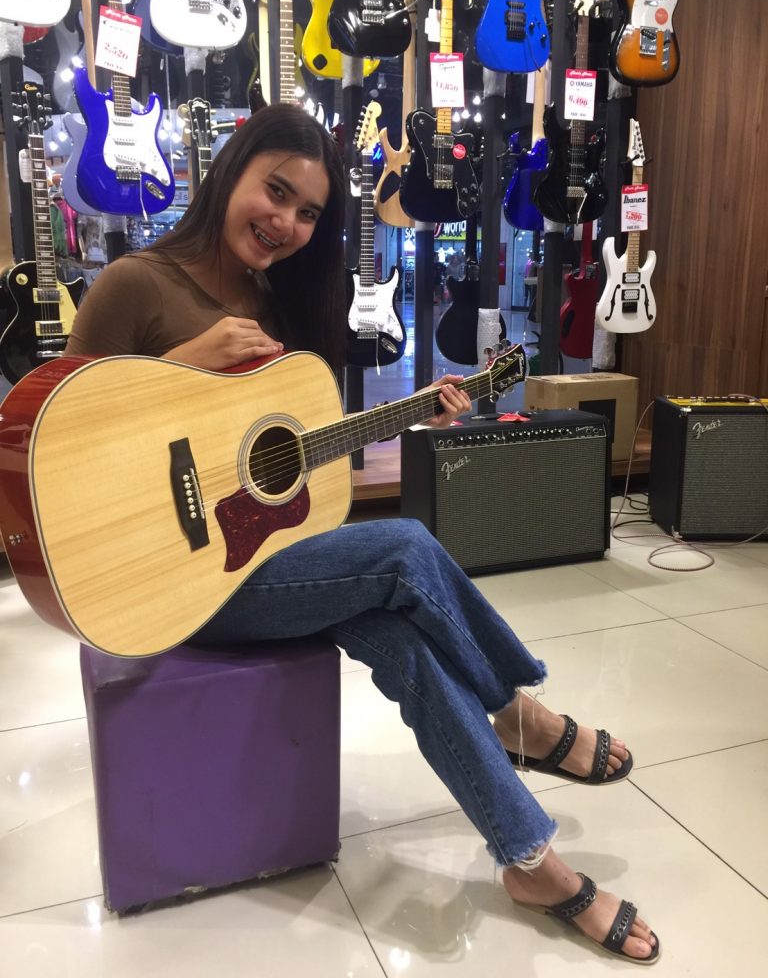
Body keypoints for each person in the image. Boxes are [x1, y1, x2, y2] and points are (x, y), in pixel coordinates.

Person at [66, 103, 658, 964]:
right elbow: (58, 431)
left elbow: (283, 458)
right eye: (276, 192)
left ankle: (531, 860)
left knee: (407, 645)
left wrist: (419, 413)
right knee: (407, 547)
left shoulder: (279, 297)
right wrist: (184, 364)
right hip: (169, 585)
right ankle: (518, 713)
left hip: (255, 560)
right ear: (232, 170)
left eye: (309, 212)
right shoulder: (135, 283)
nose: (287, 223)